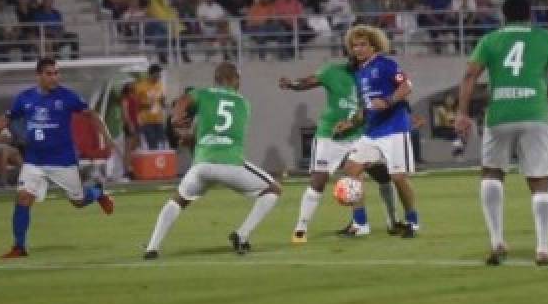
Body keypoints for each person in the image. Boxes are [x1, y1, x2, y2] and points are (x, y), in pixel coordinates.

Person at [453, 0, 548, 266]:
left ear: (504, 16)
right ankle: (543, 249)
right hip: (535, 113)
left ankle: (497, 240)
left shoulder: (490, 40)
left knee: (492, 173)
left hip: (500, 113)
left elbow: (469, 76)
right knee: (540, 181)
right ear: (529, 14)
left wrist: (462, 113)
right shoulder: (545, 38)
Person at [0, 58, 119, 258]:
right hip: (34, 160)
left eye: (56, 73)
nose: (54, 77)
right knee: (23, 197)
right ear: (39, 76)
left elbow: (92, 115)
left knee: (77, 202)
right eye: (49, 73)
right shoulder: (25, 98)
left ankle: (98, 193)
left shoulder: (67, 97)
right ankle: (19, 247)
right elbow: (7, 118)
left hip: (62, 160)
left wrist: (107, 137)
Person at [143, 63, 282, 258]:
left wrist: (175, 118)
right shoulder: (243, 104)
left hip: (203, 164)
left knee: (177, 201)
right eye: (238, 78)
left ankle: (152, 247)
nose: (240, 82)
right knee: (274, 189)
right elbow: (224, 131)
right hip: (231, 164)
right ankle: (242, 235)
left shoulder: (203, 94)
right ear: (233, 79)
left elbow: (184, 101)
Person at [279, 58, 403, 243]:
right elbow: (308, 81)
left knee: (383, 175)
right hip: (330, 135)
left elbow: (376, 104)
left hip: (359, 134)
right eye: (353, 48)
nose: (357, 53)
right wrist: (292, 84)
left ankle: (390, 221)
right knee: (318, 180)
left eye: (361, 47)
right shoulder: (332, 71)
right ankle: (301, 229)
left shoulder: (371, 74)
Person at [334, 25, 420, 238]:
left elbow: (407, 86)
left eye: (363, 44)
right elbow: (367, 107)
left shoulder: (386, 64)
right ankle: (361, 224)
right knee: (351, 169)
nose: (358, 49)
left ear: (374, 46)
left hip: (395, 128)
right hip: (372, 131)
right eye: (354, 46)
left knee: (398, 177)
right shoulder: (360, 72)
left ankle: (412, 221)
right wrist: (351, 123)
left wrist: (389, 100)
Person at [133, 64, 169, 150]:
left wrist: (163, 102)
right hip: (146, 120)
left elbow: (161, 101)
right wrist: (145, 105)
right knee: (152, 143)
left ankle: (160, 161)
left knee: (162, 142)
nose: (158, 77)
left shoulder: (160, 85)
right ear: (150, 74)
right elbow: (134, 104)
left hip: (158, 119)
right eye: (157, 75)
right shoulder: (140, 86)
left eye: (159, 75)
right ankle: (153, 161)